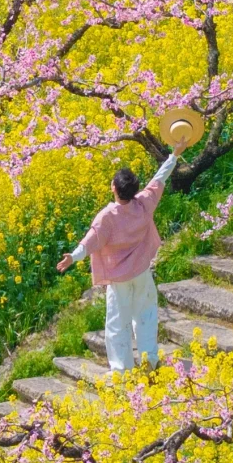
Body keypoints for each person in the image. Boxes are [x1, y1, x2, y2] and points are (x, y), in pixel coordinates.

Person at [57, 151, 179, 373]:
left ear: (114, 187)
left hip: (119, 280)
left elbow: (90, 241)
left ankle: (122, 370)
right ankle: (149, 361)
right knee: (146, 315)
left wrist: (72, 257)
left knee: (117, 323)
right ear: (134, 190)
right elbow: (159, 179)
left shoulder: (107, 216)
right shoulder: (143, 204)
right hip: (142, 273)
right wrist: (175, 154)